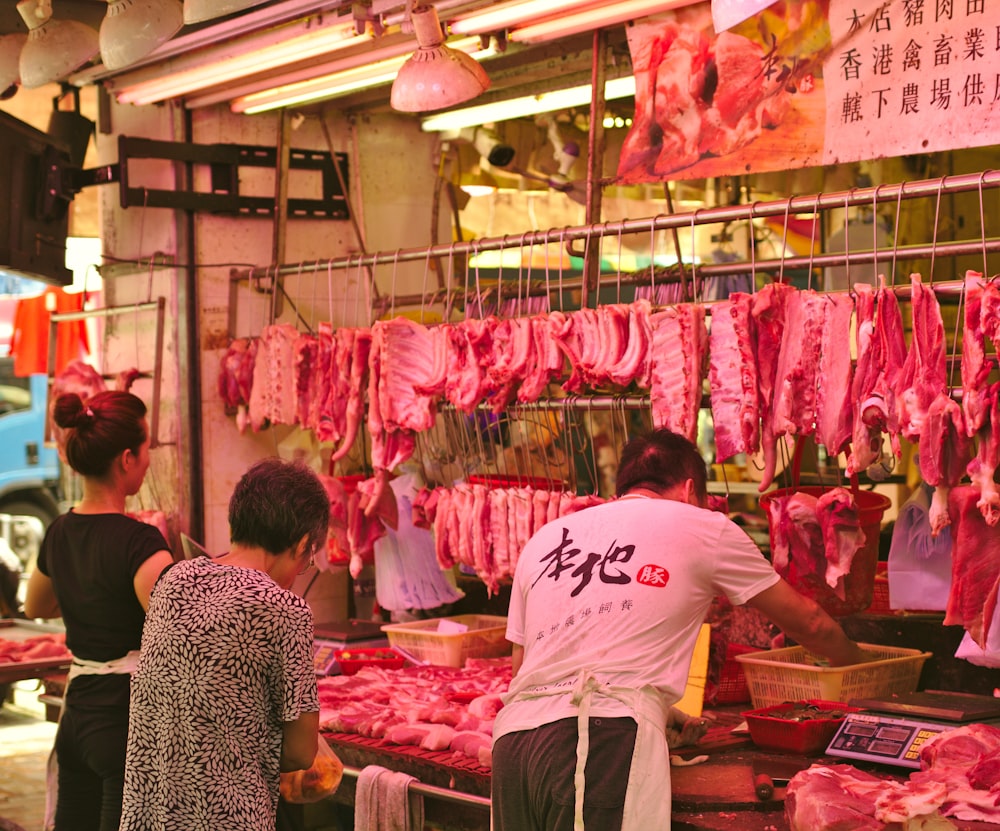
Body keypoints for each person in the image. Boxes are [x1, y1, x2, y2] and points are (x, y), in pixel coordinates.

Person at [491, 428, 870, 831]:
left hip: (513, 743)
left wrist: (661, 709)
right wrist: (863, 669)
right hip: (597, 743)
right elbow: (809, 622)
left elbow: (525, 669)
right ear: (691, 489)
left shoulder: (546, 538)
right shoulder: (704, 526)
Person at [119, 457, 330, 831]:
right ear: (301, 545)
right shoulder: (284, 608)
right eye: (307, 561)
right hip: (227, 819)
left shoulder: (174, 580)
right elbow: (300, 752)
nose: (300, 574)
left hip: (150, 817)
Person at [23, 390, 174, 831]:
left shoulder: (58, 531)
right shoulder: (141, 544)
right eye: (147, 449)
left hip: (77, 718)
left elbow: (37, 604)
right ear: (127, 459)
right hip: (125, 723)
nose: (148, 459)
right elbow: (179, 634)